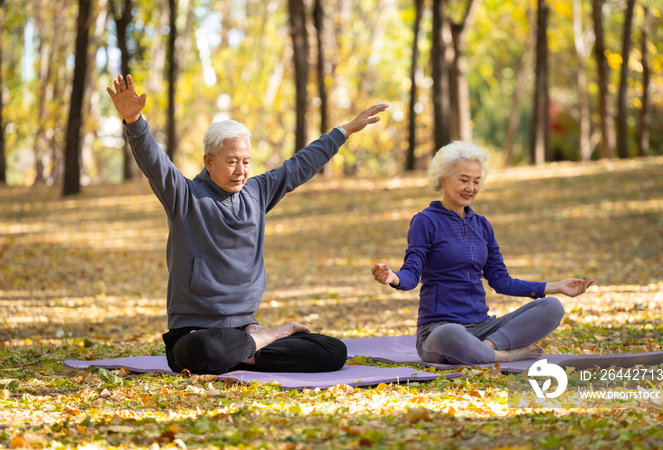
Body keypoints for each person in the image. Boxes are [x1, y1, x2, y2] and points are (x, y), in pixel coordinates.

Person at [107, 74, 388, 374]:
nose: (240, 171)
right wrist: (134, 120)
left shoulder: (256, 193)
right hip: (196, 335)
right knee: (204, 351)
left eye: (246, 161)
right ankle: (269, 338)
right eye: (231, 161)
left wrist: (344, 131)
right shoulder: (185, 197)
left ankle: (251, 346)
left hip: (245, 331)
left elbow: (299, 166)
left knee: (333, 351)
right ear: (208, 161)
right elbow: (155, 163)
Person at [371, 141, 593, 364]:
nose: (471, 188)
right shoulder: (426, 221)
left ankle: (486, 348)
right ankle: (502, 356)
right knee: (451, 333)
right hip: (439, 331)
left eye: (476, 181)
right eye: (464, 180)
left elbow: (501, 280)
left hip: (483, 328)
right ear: (443, 179)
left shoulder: (482, 225)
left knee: (552, 306)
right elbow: (411, 273)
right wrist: (393, 277)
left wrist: (556, 286)